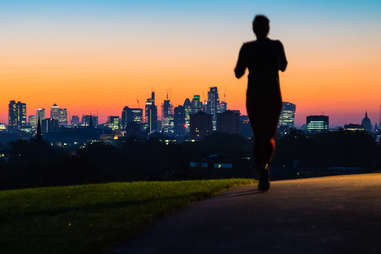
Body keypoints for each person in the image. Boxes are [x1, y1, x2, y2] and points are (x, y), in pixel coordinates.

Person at [234, 15, 287, 191]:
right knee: (269, 134)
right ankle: (265, 168)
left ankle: (262, 170)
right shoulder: (276, 46)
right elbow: (284, 66)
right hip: (272, 95)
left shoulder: (247, 48)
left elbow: (238, 72)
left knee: (258, 134)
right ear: (268, 29)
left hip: (255, 96)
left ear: (254, 29)